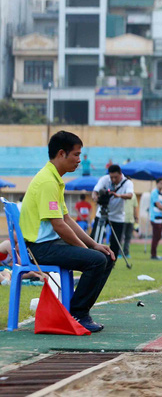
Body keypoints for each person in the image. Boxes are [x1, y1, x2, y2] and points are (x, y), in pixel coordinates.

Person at [20, 131, 115, 332]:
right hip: (39, 248)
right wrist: (86, 251)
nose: (79, 160)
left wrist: (94, 245)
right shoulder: (47, 181)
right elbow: (59, 226)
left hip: (49, 245)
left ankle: (79, 310)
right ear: (61, 154)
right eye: (76, 155)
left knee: (105, 256)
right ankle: (77, 314)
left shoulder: (54, 179)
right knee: (97, 260)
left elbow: (66, 219)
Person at [91, 164, 134, 259]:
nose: (113, 180)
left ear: (120, 174)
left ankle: (111, 262)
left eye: (116, 177)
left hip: (118, 216)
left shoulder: (127, 183)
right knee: (94, 238)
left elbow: (130, 195)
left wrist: (118, 195)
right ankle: (93, 258)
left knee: (115, 242)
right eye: (111, 177)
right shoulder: (105, 179)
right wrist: (95, 197)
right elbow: (95, 190)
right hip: (102, 212)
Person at [149, 178, 162, 260]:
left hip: (160, 218)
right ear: (157, 183)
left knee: (158, 236)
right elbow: (159, 206)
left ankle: (154, 254)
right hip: (155, 218)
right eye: (161, 183)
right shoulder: (154, 193)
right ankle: (153, 255)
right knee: (156, 236)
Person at [122, 192, 138, 258]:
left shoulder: (133, 195)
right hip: (122, 219)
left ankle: (126, 252)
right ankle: (119, 252)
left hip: (131, 219)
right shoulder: (121, 193)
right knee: (120, 237)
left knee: (128, 237)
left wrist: (136, 217)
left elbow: (135, 207)